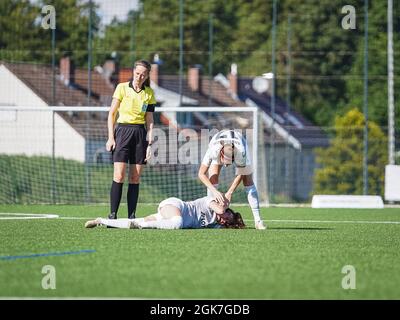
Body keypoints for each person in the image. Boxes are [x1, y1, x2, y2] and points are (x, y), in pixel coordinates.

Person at [106, 60, 156, 220]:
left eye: (143, 74)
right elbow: (111, 114)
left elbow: (150, 120)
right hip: (122, 132)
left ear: (147, 75)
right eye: (137, 73)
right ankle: (113, 214)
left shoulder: (149, 93)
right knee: (119, 175)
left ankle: (131, 216)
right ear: (133, 72)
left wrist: (149, 143)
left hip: (139, 135)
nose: (139, 77)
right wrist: (110, 138)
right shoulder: (121, 88)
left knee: (135, 177)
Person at [198, 129, 266, 230]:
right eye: (225, 160)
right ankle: (212, 218)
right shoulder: (213, 150)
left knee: (248, 180)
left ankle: (258, 221)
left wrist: (229, 192)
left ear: (234, 157)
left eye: (230, 162)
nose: (226, 165)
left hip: (239, 140)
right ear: (221, 153)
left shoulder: (241, 151)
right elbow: (201, 174)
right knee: (213, 179)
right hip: (218, 140)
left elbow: (242, 172)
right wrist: (215, 191)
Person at [84, 196, 245, 230]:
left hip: (167, 218)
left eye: (227, 221)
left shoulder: (215, 224)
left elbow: (227, 227)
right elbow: (220, 209)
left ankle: (101, 220)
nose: (224, 219)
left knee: (138, 221)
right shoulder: (210, 202)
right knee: (178, 224)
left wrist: (233, 223)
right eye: (226, 216)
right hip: (175, 206)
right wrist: (226, 200)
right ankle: (143, 226)